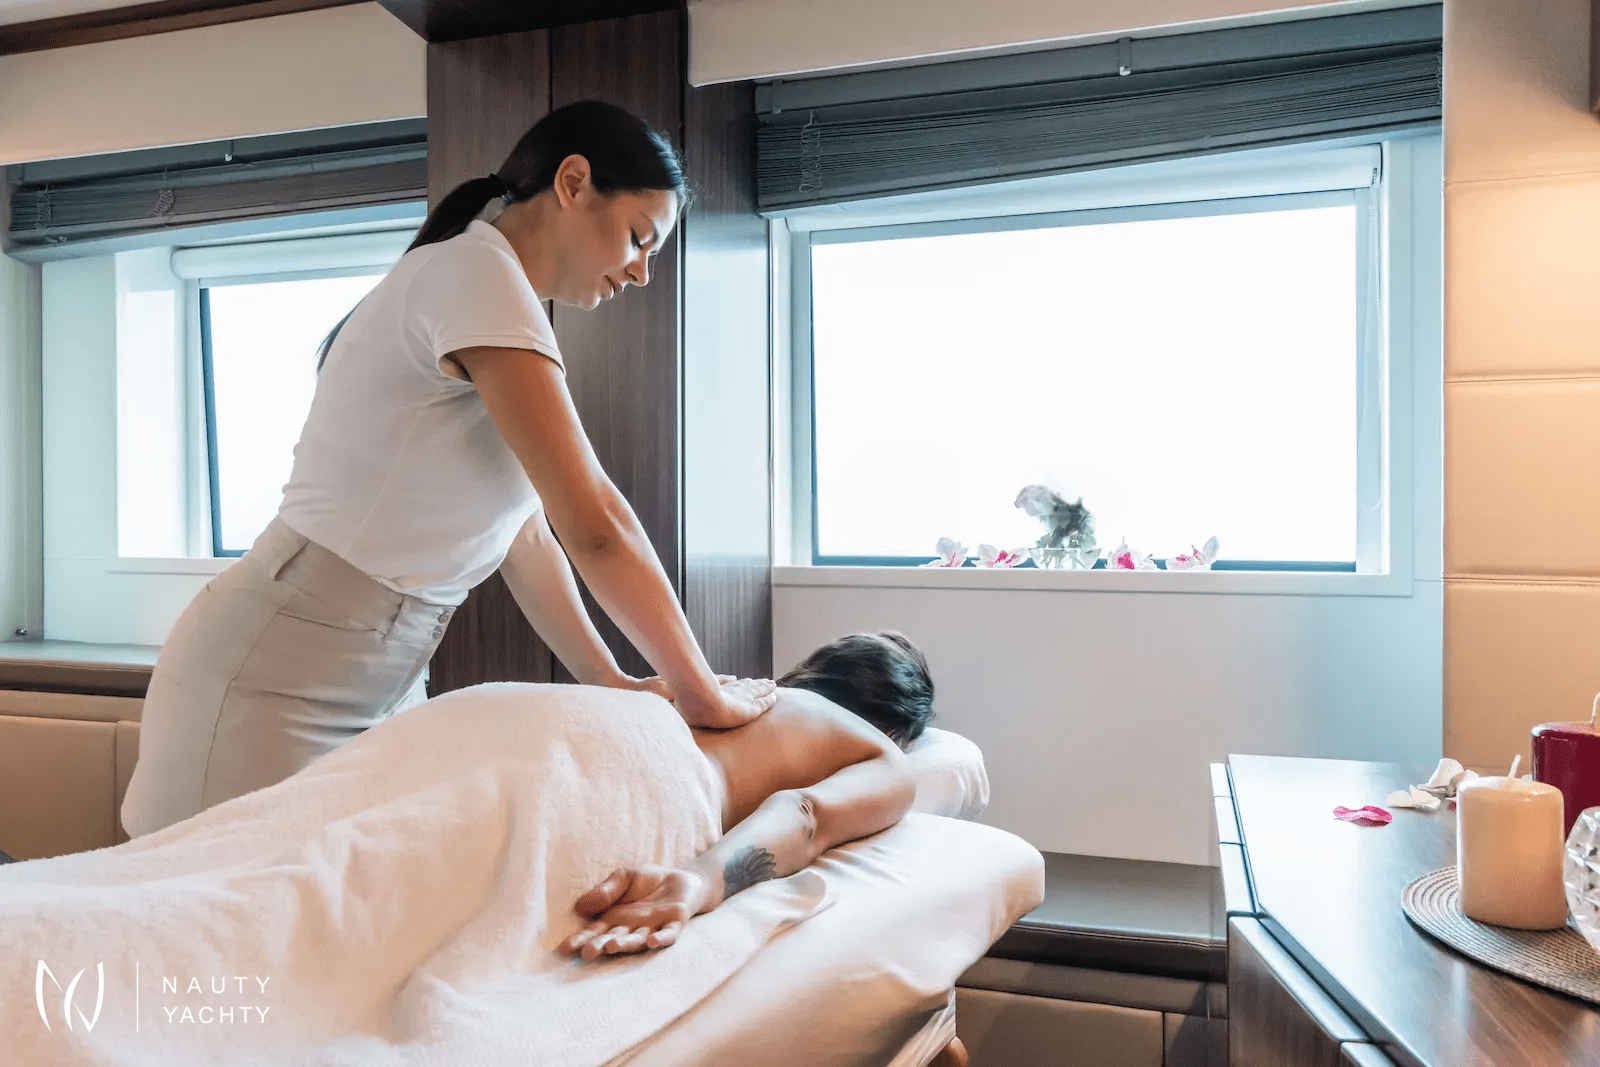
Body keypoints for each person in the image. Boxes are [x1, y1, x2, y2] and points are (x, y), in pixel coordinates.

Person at [121, 100, 774, 839]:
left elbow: (524, 536)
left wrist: (611, 681)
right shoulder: (474, 273)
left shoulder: (497, 296)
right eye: (638, 238)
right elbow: (595, 524)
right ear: (572, 183)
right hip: (272, 675)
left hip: (382, 676)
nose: (642, 272)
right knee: (209, 904)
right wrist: (701, 692)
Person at [558, 630, 935, 960]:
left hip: (567, 729)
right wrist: (702, 878)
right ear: (898, 729)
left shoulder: (723, 690)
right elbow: (803, 814)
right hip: (644, 793)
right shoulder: (882, 755)